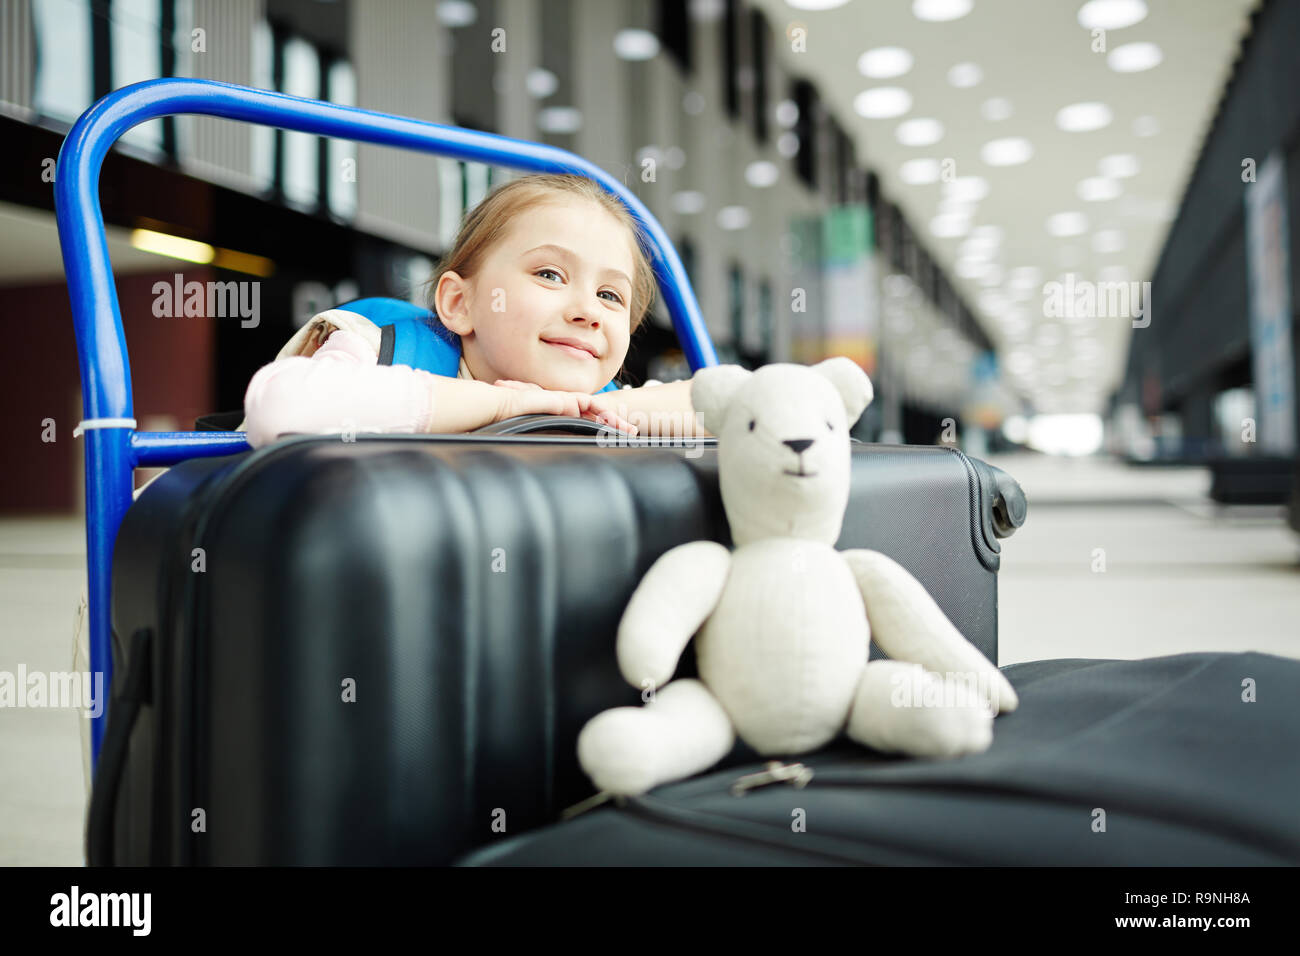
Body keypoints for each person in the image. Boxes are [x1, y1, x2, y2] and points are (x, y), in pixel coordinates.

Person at [241, 173, 710, 447]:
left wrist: (603, 408)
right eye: (549, 274)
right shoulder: (378, 349)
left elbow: (748, 407)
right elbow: (280, 407)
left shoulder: (600, 401)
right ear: (460, 304)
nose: (589, 311)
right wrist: (507, 405)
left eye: (611, 296)